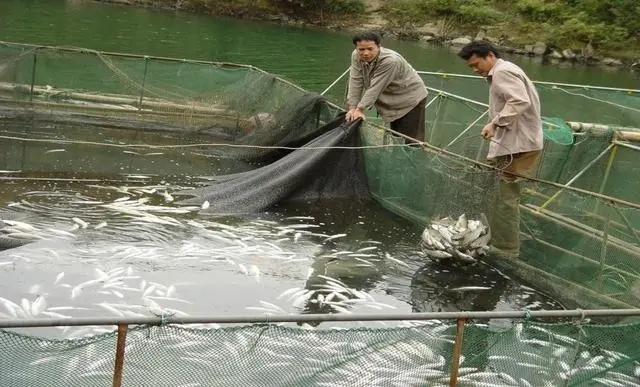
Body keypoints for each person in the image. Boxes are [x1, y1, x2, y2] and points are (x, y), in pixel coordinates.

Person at [457, 41, 543, 258]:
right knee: (500, 194)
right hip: (516, 142)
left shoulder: (502, 72)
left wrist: (495, 123)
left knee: (505, 198)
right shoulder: (507, 69)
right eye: (471, 67)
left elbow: (519, 101)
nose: (476, 70)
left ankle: (505, 250)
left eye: (477, 64)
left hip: (518, 146)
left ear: (490, 56)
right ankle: (496, 238)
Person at [345, 31, 428, 144]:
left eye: (370, 49)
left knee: (410, 141)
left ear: (379, 47)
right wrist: (352, 107)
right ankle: (398, 157)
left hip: (410, 99)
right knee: (396, 137)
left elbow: (375, 87)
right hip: (391, 98)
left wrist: (360, 109)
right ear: (356, 48)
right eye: (361, 49)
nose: (365, 53)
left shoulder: (390, 61)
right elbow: (355, 80)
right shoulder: (356, 55)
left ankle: (414, 159)